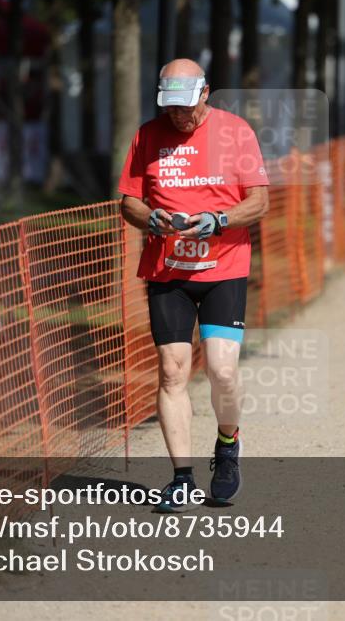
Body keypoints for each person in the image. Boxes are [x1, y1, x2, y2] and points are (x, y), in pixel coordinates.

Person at [119, 58, 270, 511]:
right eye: (171, 108)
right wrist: (152, 218)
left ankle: (227, 445)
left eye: (185, 107)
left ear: (206, 93)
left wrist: (218, 220)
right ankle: (181, 476)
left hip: (223, 267)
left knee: (222, 370)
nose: (178, 116)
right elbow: (128, 202)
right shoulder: (148, 135)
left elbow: (259, 201)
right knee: (171, 371)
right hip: (168, 272)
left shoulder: (236, 132)